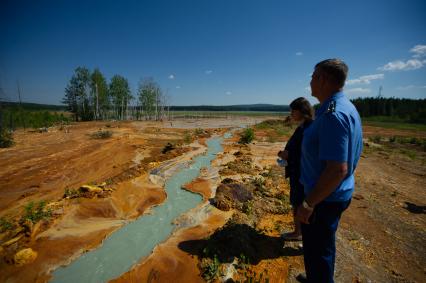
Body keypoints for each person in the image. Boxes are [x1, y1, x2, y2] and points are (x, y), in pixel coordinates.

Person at [296, 59, 363, 283]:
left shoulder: (332, 115)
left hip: (324, 198)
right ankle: (317, 277)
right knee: (323, 247)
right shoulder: (345, 106)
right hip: (331, 195)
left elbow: (337, 170)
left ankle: (320, 278)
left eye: (313, 77)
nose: (310, 81)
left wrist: (308, 204)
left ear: (323, 79)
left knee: (318, 251)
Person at [278, 97, 313, 241]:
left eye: (293, 110)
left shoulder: (309, 128)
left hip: (301, 173)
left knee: (299, 203)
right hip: (297, 171)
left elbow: (307, 152)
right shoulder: (303, 126)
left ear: (302, 111)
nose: (291, 113)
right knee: (297, 202)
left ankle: (298, 233)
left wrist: (289, 155)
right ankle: (299, 232)